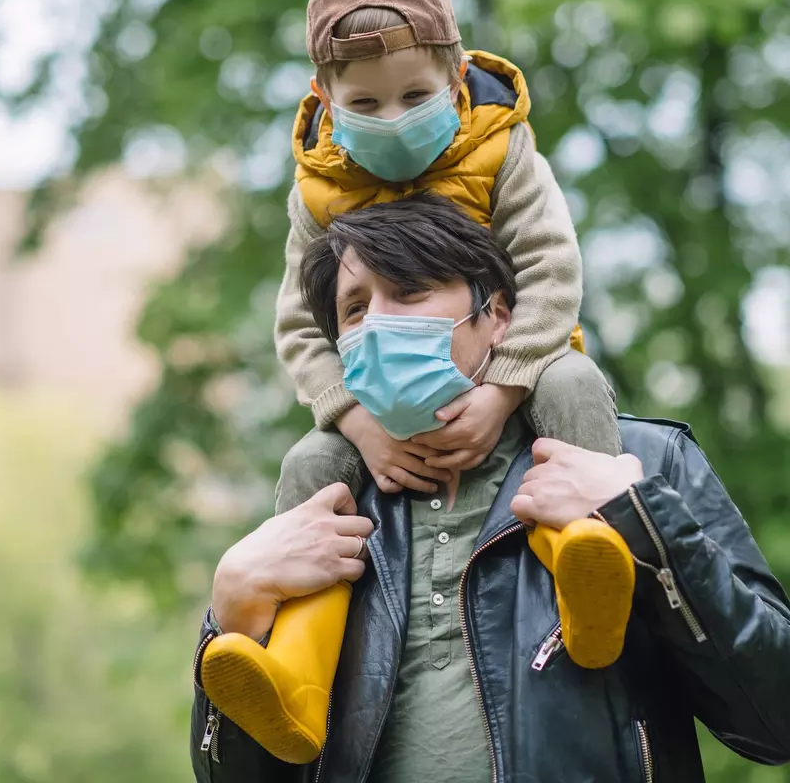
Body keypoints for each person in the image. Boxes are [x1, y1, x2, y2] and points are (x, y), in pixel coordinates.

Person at [191, 195, 790, 782]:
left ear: (497, 316)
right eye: (354, 310)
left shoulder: (640, 461)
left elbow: (775, 720)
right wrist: (231, 615)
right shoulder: (321, 510)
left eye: (408, 290)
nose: (376, 322)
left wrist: (644, 525)